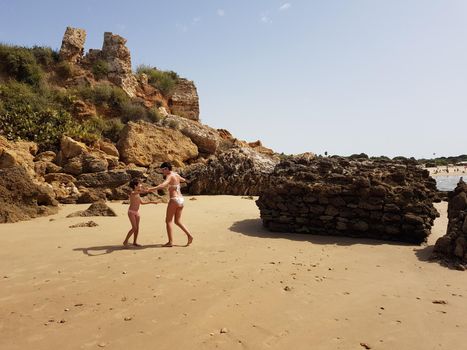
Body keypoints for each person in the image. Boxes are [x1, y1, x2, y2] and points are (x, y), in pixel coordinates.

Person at [148, 162, 193, 247]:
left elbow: (162, 185)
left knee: (168, 221)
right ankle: (189, 235)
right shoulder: (176, 174)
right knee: (177, 221)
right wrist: (176, 185)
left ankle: (170, 242)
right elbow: (184, 180)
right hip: (181, 200)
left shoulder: (170, 176)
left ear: (166, 169)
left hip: (174, 200)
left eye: (162, 170)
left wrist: (151, 189)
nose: (162, 172)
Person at [123, 178, 159, 247]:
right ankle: (125, 241)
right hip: (131, 212)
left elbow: (142, 203)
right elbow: (141, 192)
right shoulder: (133, 193)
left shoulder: (138, 194)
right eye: (139, 184)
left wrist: (152, 202)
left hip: (136, 212)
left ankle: (135, 242)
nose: (141, 185)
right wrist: (147, 190)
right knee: (134, 228)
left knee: (137, 228)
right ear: (135, 186)